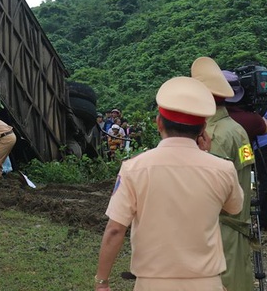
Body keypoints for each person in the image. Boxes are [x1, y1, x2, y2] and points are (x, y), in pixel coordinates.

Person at [95, 76, 243, 291]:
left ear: (159, 122)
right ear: (203, 128)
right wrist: (207, 156)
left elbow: (115, 230)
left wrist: (102, 281)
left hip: (151, 284)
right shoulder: (223, 169)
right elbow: (234, 208)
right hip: (207, 283)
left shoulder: (134, 168)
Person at [191, 57, 255, 291]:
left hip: (221, 228)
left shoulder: (214, 134)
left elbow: (210, 190)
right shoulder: (237, 130)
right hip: (237, 225)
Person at [223, 70, 267, 226]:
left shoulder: (210, 119)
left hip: (246, 151)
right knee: (250, 176)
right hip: (254, 149)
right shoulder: (252, 119)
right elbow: (263, 127)